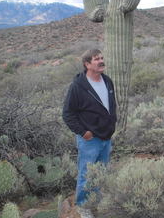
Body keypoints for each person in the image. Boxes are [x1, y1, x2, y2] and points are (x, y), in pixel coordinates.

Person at [62, 49, 117, 217]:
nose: (101, 61)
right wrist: (82, 132)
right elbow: (68, 114)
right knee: (86, 174)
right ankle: (83, 206)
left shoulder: (107, 81)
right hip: (90, 139)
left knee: (101, 172)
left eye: (101, 58)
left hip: (106, 137)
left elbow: (109, 105)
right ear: (87, 64)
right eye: (96, 59)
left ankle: (97, 201)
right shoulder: (78, 87)